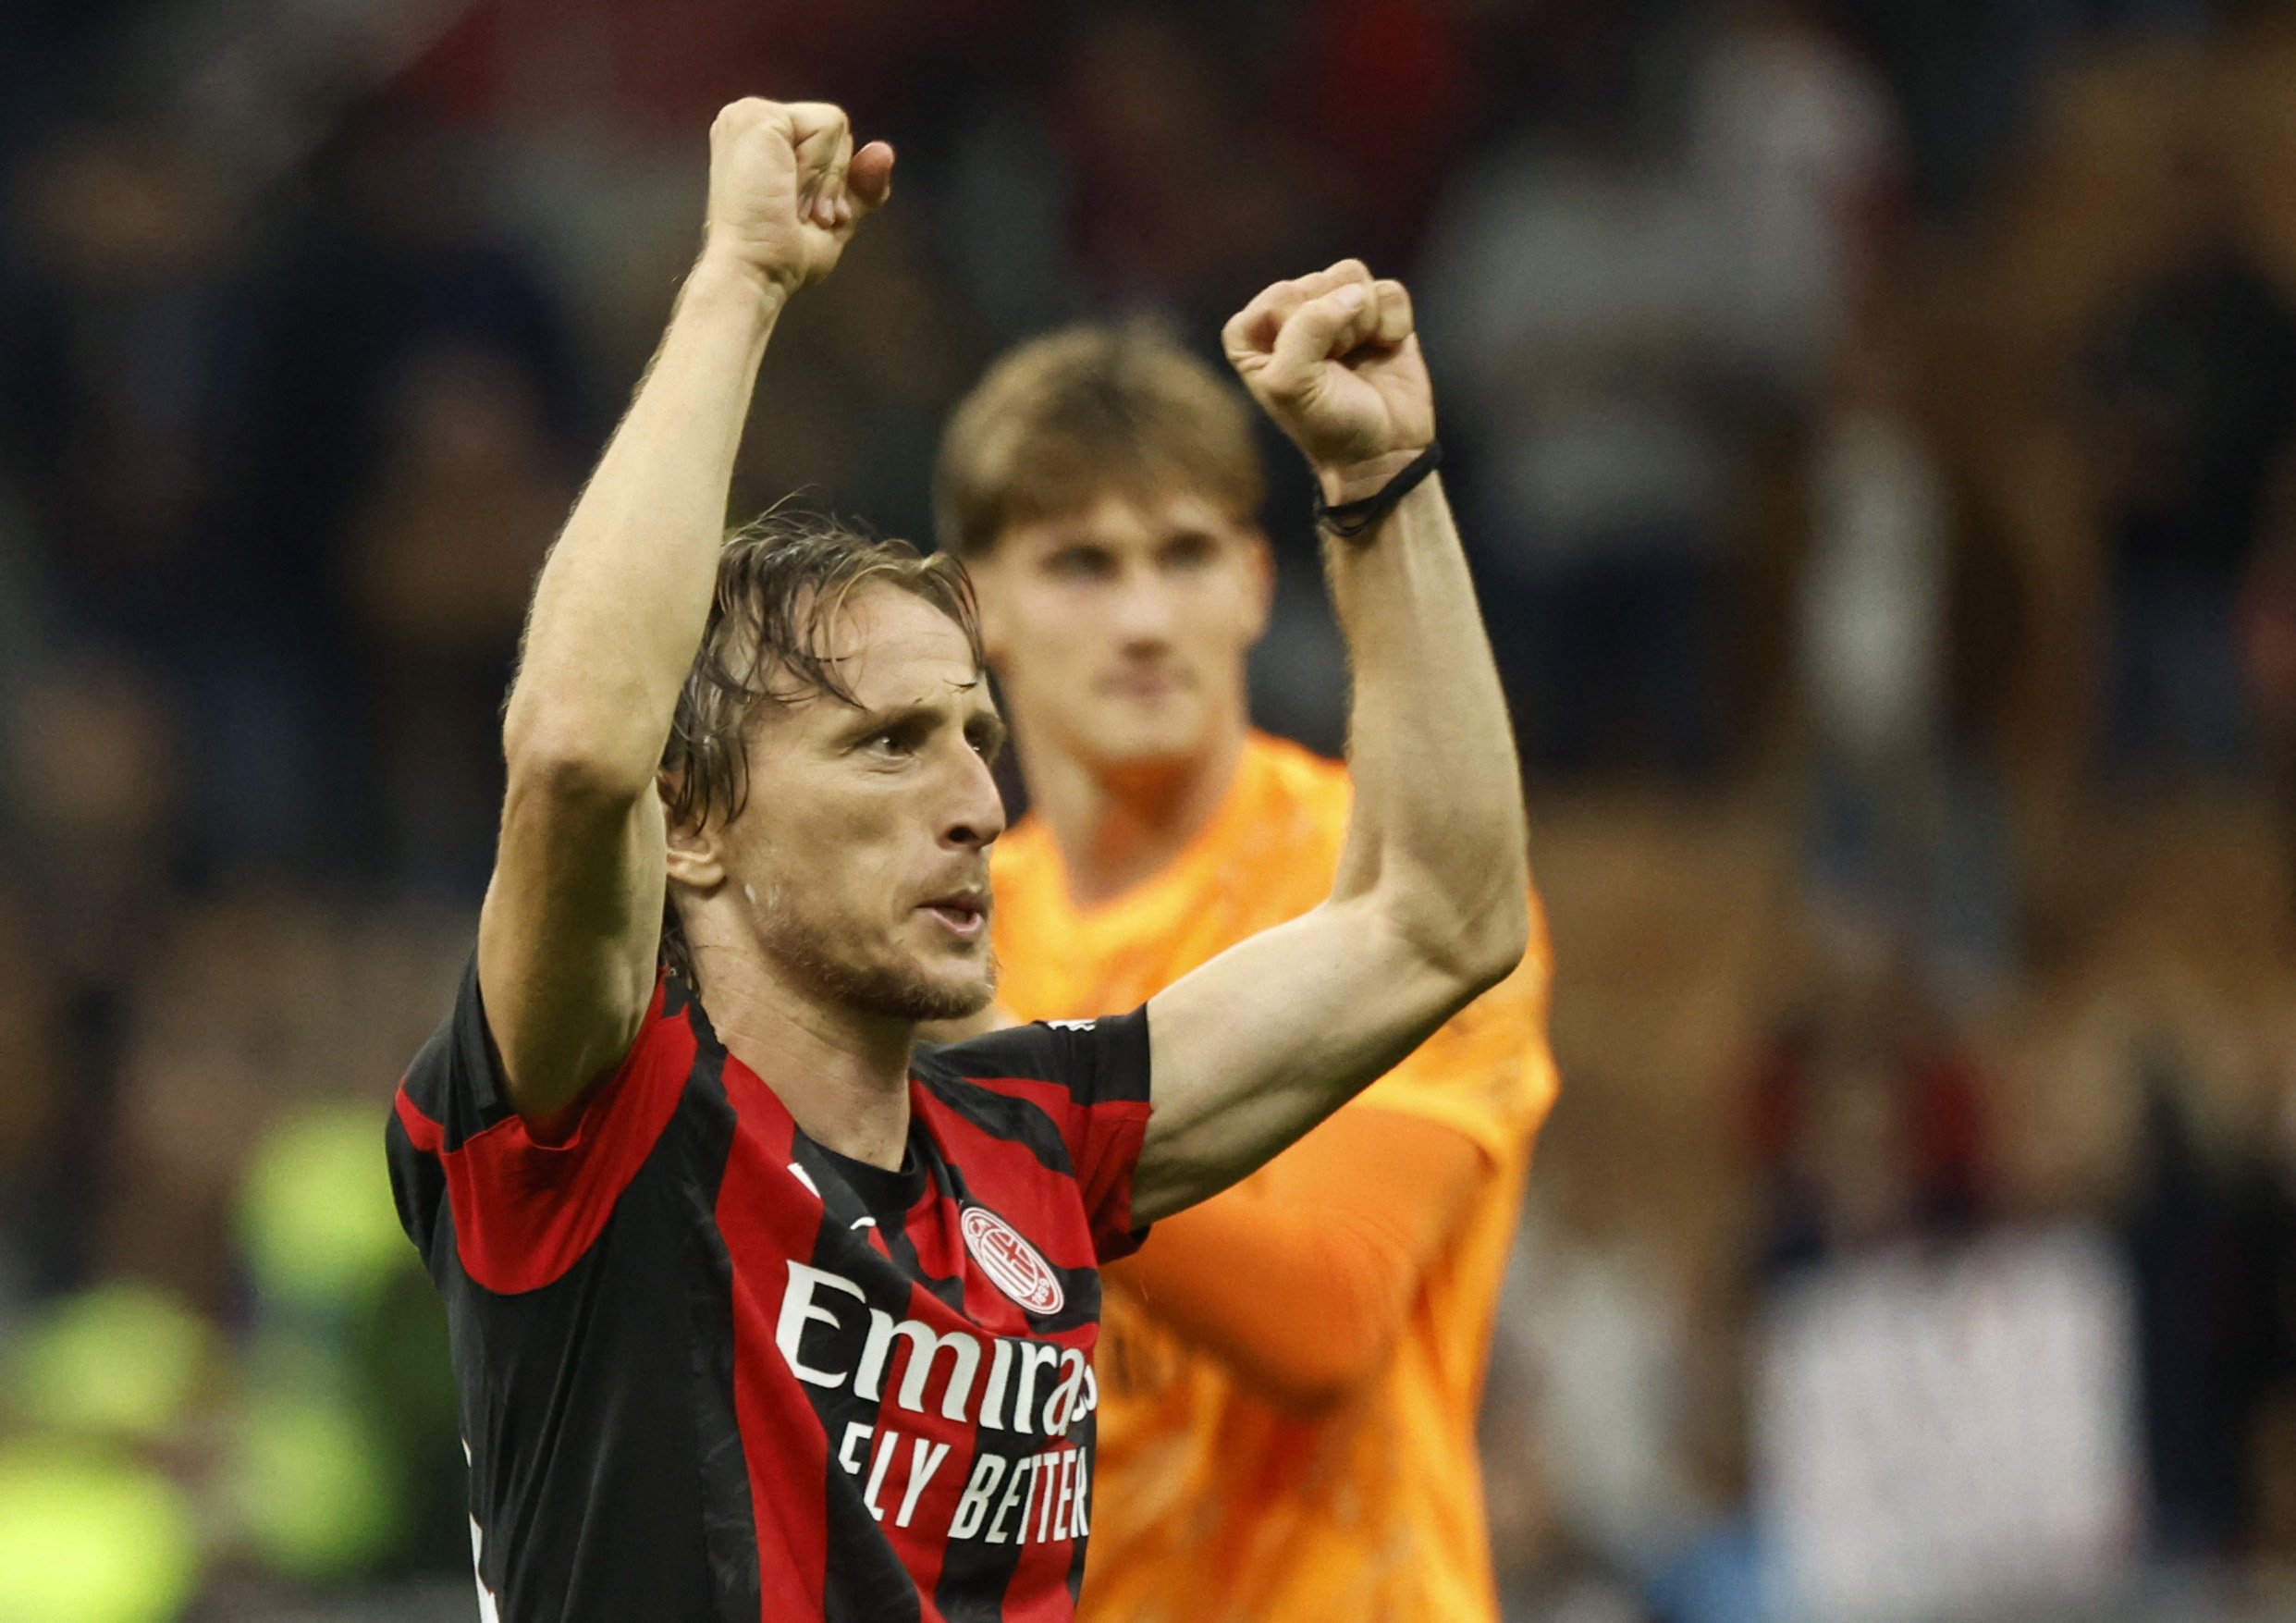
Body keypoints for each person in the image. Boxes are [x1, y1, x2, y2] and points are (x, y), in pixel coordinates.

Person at [381, 98, 1529, 1622]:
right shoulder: (603, 1122)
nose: (982, 803)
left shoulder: (1035, 1138)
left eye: (977, 738)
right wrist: (739, 282)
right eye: (887, 744)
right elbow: (581, 751)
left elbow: (1439, 921)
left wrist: (1383, 490)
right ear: (694, 823)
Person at [934, 322, 1556, 1622]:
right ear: (974, 605)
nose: (1145, 618)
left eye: (1186, 553)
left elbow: (1330, 1320)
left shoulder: (1387, 884)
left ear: (1257, 584)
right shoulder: (948, 925)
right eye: (1082, 564)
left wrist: (1001, 1091)